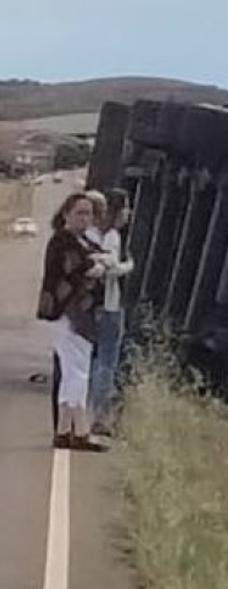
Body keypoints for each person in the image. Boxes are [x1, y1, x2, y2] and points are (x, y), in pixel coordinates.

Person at [37, 192, 107, 451]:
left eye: (88, 213)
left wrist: (100, 261)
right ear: (66, 214)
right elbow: (76, 267)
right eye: (79, 212)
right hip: (68, 313)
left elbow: (97, 256)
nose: (85, 218)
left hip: (82, 313)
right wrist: (97, 266)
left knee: (73, 371)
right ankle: (80, 431)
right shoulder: (62, 240)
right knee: (78, 371)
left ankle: (65, 430)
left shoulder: (81, 240)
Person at [86, 188, 133, 434]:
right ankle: (100, 417)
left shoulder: (90, 233)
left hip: (91, 306)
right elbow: (110, 267)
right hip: (110, 305)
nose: (128, 213)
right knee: (107, 361)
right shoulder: (112, 235)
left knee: (94, 360)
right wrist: (129, 265)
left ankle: (88, 409)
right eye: (126, 208)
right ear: (117, 211)